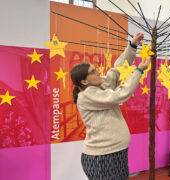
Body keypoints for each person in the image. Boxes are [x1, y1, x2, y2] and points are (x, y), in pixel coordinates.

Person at [70, 32, 149, 180]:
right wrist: (138, 71)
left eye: (96, 68)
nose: (98, 71)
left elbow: (116, 71)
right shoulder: (86, 96)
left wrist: (132, 46)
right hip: (102, 158)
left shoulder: (99, 85)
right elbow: (120, 95)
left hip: (115, 153)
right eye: (93, 72)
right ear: (84, 82)